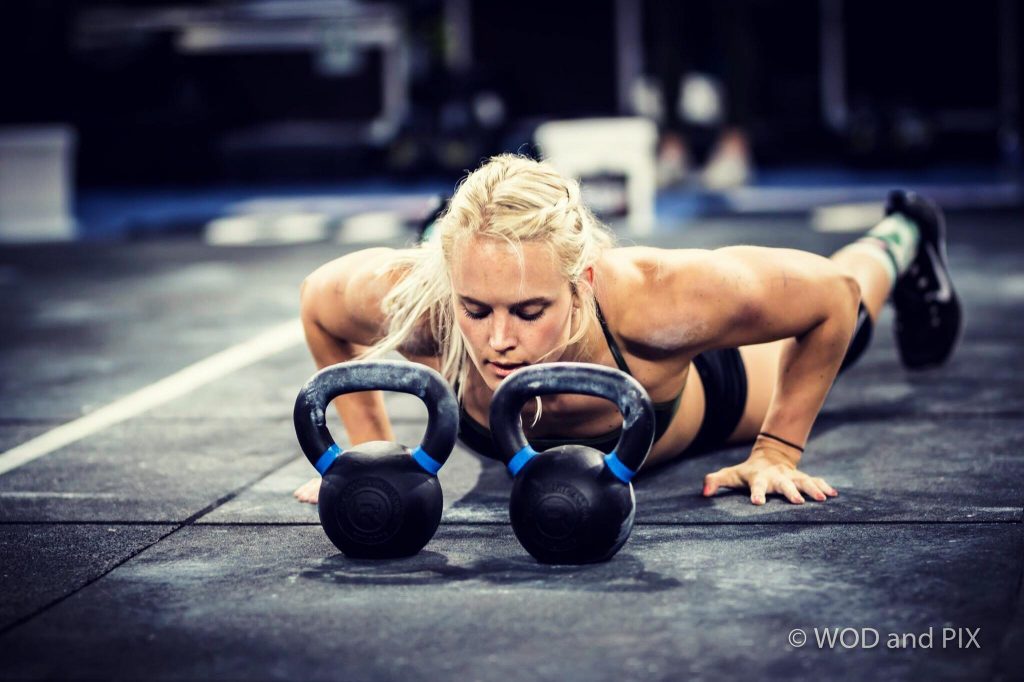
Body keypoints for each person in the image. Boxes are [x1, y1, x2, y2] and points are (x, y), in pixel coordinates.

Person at [294, 154, 961, 506]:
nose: (498, 339)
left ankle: (903, 233)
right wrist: (371, 452)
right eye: (478, 309)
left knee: (853, 319)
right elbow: (319, 301)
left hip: (709, 391)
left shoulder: (653, 299)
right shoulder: (424, 302)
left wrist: (778, 450)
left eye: (529, 312)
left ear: (581, 282)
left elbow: (830, 301)